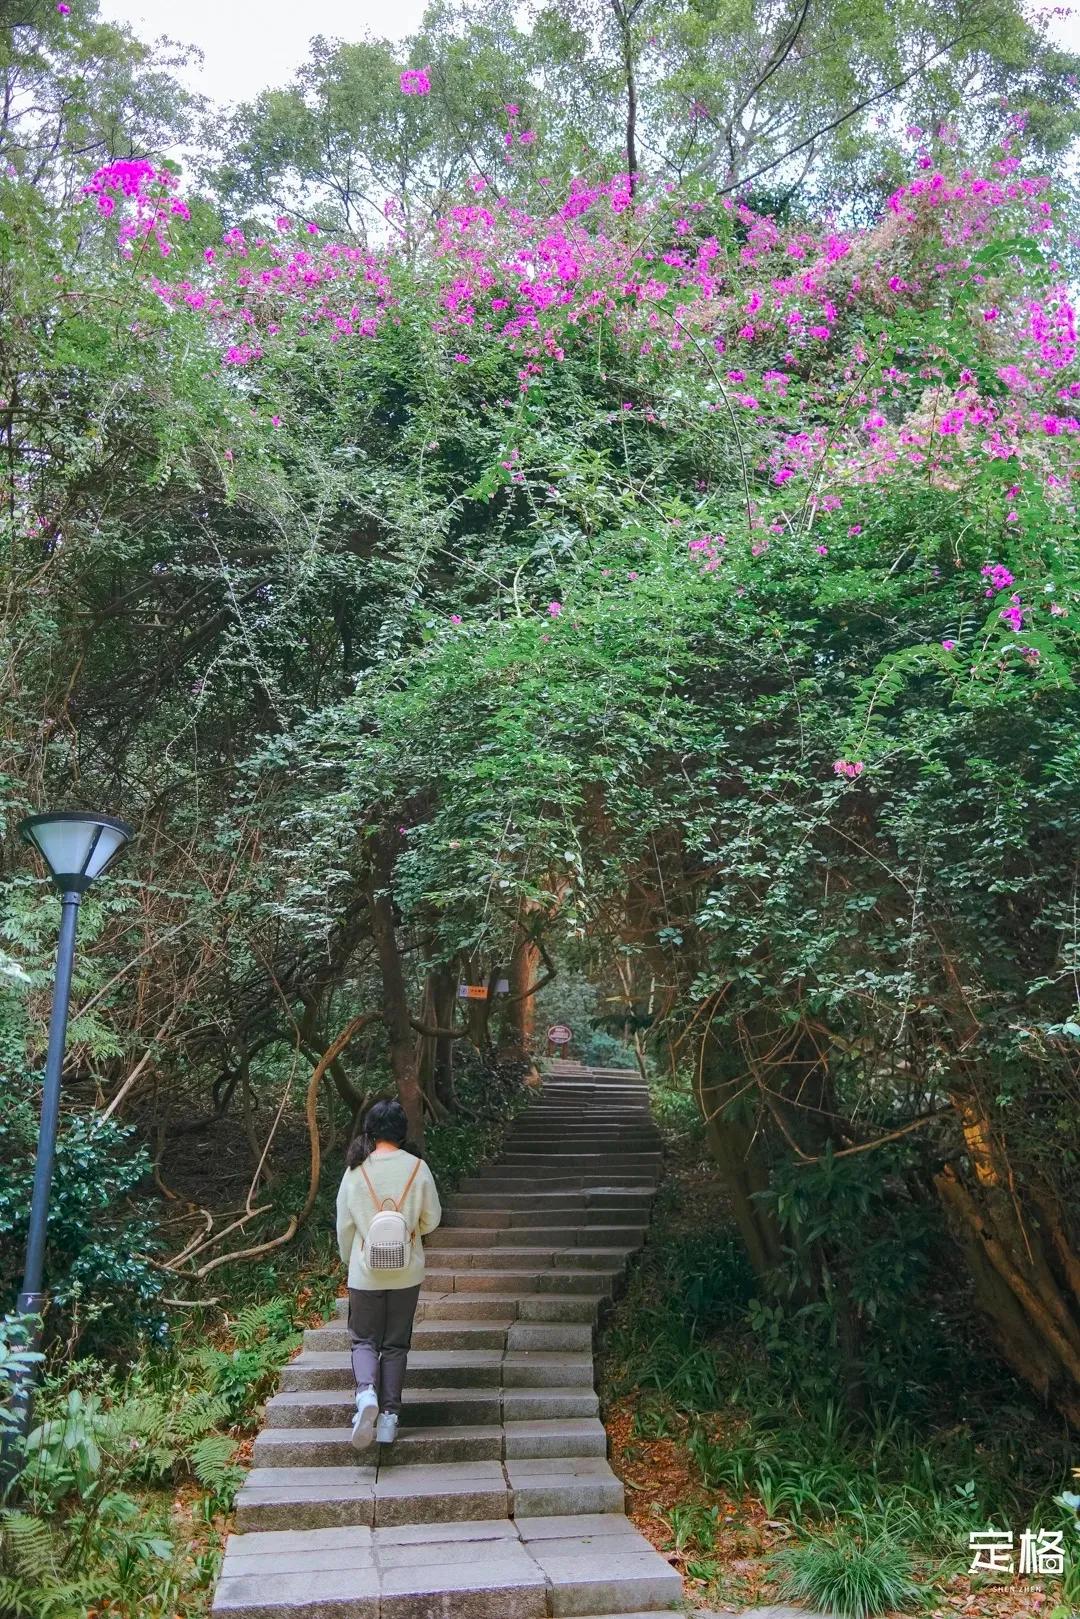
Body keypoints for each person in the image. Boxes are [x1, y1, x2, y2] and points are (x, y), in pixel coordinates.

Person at [335, 1098, 441, 1450]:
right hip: (406, 1271)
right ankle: (389, 1419)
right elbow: (433, 1219)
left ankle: (366, 1393)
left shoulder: (356, 1171)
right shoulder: (417, 1168)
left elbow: (344, 1225)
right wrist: (410, 1230)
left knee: (364, 1340)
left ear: (371, 1130)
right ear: (402, 1131)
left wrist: (349, 1259)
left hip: (365, 1272)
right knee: (396, 1344)